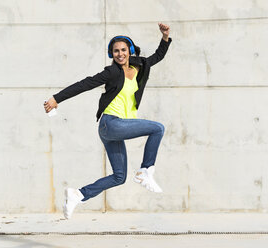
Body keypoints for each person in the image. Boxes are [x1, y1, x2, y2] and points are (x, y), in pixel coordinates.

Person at [44, 23, 172, 219]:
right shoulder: (111, 72)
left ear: (130, 51)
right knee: (158, 128)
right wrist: (56, 98)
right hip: (111, 123)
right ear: (111, 54)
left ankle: (77, 195)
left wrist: (165, 37)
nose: (120, 54)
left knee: (119, 177)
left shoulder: (140, 65)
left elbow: (158, 56)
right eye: (115, 51)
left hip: (114, 129)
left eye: (123, 50)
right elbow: (84, 84)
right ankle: (146, 170)